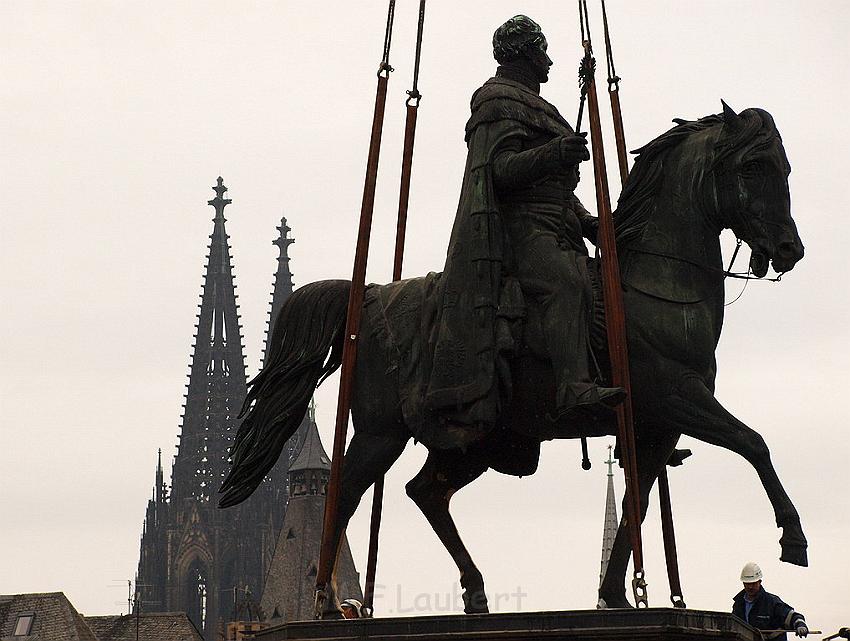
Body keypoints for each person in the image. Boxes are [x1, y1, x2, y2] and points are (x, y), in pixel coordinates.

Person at [426, 15, 625, 428]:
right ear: (525, 53)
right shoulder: (495, 100)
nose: (550, 60)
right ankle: (573, 387)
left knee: (611, 290)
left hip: (559, 228)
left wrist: (589, 222)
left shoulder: (542, 108)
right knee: (566, 285)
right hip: (521, 232)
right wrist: (554, 154)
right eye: (544, 51)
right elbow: (496, 170)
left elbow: (557, 191)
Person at [733, 562, 808, 640]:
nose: (750, 587)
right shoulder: (739, 604)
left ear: (760, 582)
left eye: (753, 583)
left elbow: (791, 616)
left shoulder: (771, 602)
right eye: (747, 584)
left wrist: (800, 624)